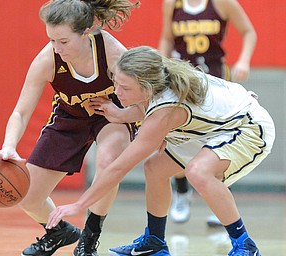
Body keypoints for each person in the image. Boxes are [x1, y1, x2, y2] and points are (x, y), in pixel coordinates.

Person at [46, 46, 275, 256]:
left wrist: (79, 204)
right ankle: (154, 241)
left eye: (125, 88)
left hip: (248, 126)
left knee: (198, 172)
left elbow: (120, 167)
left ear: (146, 87)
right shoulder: (157, 82)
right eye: (117, 83)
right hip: (216, 126)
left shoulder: (165, 111)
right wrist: (117, 113)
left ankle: (245, 245)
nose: (118, 91)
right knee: (155, 168)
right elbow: (146, 110)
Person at [0, 0, 140, 256]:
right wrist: (8, 146)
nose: (56, 48)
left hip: (109, 114)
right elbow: (21, 112)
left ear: (86, 32)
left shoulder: (111, 51)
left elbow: (146, 103)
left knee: (109, 160)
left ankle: (89, 236)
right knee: (28, 196)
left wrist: (121, 113)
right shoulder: (48, 59)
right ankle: (58, 231)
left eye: (63, 41)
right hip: (70, 116)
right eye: (52, 40)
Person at [158, 0, 257, 225]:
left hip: (216, 80)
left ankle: (220, 200)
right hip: (182, 82)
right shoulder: (172, 4)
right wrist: (161, 65)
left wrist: (244, 60)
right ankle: (182, 193)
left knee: (220, 141)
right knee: (178, 136)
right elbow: (166, 37)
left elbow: (249, 31)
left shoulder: (222, 3)